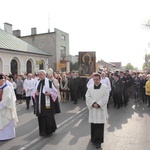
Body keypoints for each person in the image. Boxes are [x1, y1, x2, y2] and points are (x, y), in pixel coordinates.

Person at [86, 73, 109, 149]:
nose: (95, 81)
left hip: (100, 110)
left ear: (100, 79)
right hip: (93, 109)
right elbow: (87, 96)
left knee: (99, 126)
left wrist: (98, 104)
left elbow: (106, 97)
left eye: (97, 79)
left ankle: (99, 141)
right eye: (94, 79)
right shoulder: (90, 87)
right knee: (93, 125)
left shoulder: (105, 88)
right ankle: (93, 139)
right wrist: (93, 103)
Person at [35, 70, 57, 136]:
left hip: (47, 103)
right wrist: (35, 93)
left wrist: (50, 93)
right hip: (40, 103)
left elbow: (55, 92)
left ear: (45, 75)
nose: (40, 76)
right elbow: (34, 91)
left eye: (41, 74)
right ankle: (42, 131)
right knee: (41, 117)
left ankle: (49, 131)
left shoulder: (49, 82)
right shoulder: (37, 82)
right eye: (39, 74)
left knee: (48, 117)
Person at [0, 74, 18, 140]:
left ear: (3, 80)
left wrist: (0, 105)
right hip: (1, 110)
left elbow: (7, 99)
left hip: (6, 108)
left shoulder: (7, 88)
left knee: (7, 121)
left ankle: (8, 135)